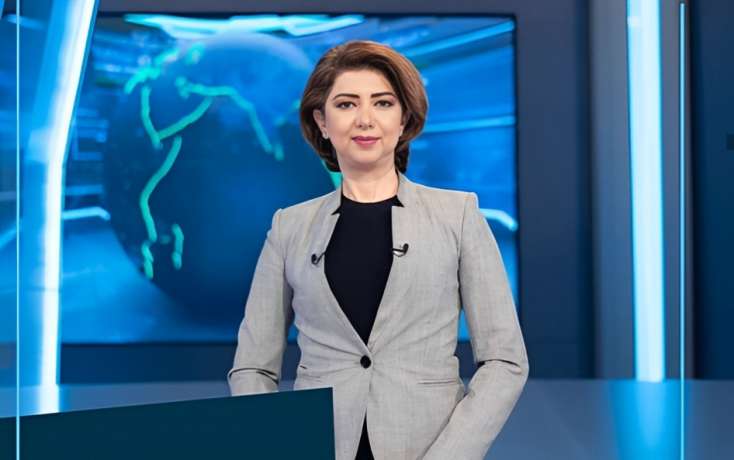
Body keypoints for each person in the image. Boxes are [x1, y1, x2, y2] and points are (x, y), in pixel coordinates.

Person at [228, 39, 529, 460]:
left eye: (383, 103)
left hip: (427, 446)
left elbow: (504, 362)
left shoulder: (458, 216)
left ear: (404, 119)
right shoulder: (288, 227)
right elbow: (252, 367)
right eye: (346, 104)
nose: (365, 119)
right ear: (322, 121)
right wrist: (276, 446)